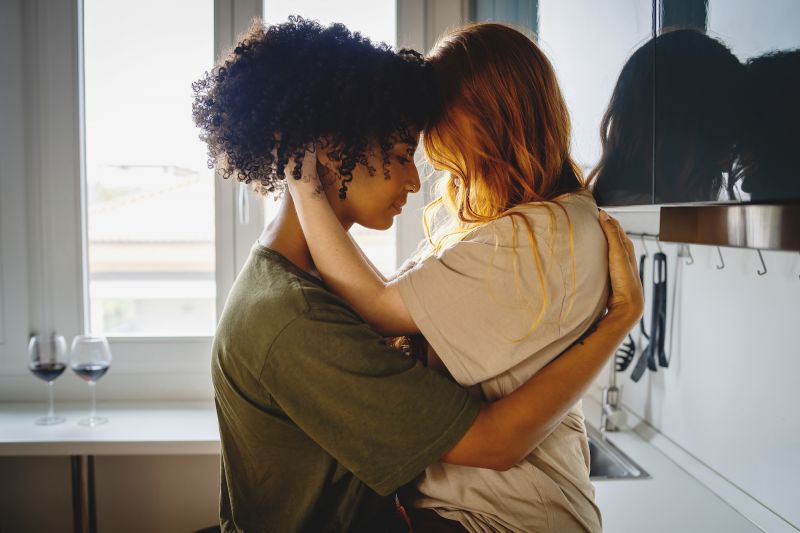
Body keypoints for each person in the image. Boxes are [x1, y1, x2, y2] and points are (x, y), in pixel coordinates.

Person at [193, 17, 643, 532]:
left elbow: (385, 304)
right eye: (404, 156)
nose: (414, 181)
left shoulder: (300, 285)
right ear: (333, 149)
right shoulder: (294, 316)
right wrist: (618, 320)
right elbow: (493, 440)